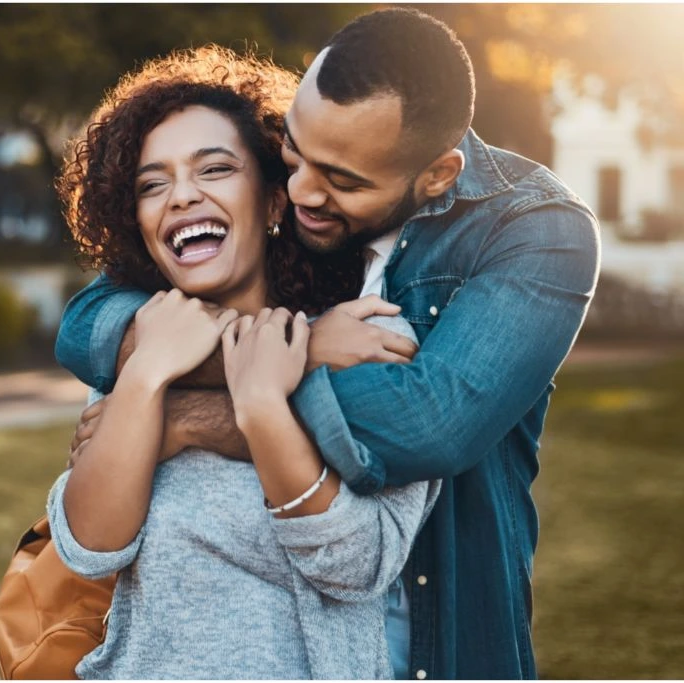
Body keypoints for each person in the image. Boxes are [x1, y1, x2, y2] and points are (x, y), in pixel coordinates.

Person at [56, 8, 601, 680]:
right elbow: (85, 327)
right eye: (293, 151)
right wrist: (295, 351)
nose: (304, 188)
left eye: (341, 179)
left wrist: (190, 418)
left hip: (439, 649)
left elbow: (426, 422)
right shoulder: (180, 315)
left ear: (435, 176)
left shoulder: (526, 234)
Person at [46, 45, 439, 679]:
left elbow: (358, 565)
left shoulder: (366, 338)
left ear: (275, 202)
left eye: (214, 169)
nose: (180, 196)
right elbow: (90, 548)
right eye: (153, 184)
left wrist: (259, 407)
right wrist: (147, 376)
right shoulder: (142, 351)